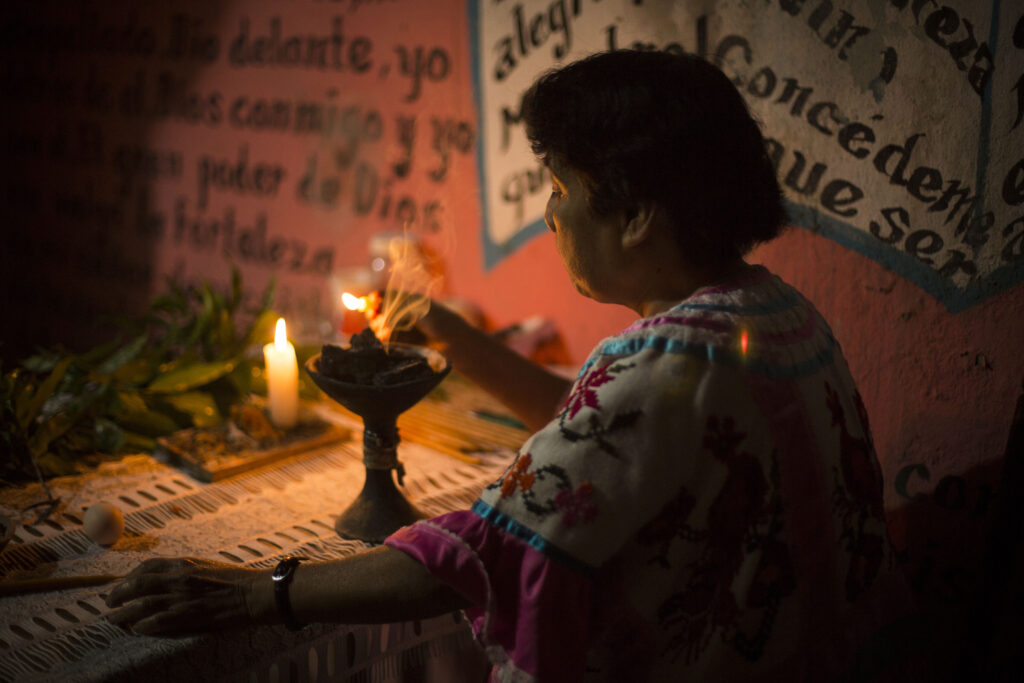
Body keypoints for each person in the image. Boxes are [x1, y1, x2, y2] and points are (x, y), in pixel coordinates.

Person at [107, 50, 911, 681]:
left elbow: (481, 554)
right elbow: (599, 426)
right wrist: (443, 326)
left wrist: (251, 592)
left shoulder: (661, 363)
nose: (553, 210)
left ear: (634, 215)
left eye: (562, 184)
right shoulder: (775, 314)